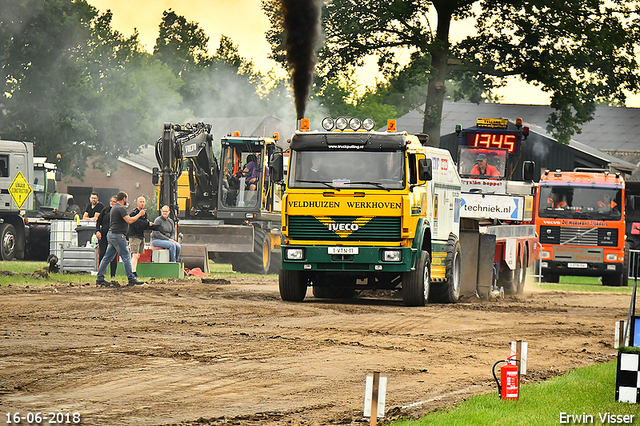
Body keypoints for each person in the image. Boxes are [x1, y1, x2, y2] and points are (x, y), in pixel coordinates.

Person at [95, 191, 146, 287]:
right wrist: (139, 214)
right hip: (118, 235)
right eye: (126, 199)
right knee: (126, 256)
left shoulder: (114, 208)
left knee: (107, 257)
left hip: (111, 234)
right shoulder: (121, 208)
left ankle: (100, 277)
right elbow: (129, 220)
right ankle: (131, 278)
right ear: (124, 199)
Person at [127, 196, 154, 278]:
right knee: (134, 254)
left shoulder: (145, 214)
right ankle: (132, 272)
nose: (142, 203)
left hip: (141, 236)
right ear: (137, 203)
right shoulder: (133, 213)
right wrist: (146, 223)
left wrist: (149, 225)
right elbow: (136, 224)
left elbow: (144, 225)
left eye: (143, 202)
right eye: (140, 202)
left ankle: (133, 270)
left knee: (138, 255)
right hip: (134, 236)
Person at [95, 195, 118, 280]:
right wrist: (97, 231)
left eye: (114, 202)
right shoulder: (105, 210)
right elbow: (98, 222)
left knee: (113, 256)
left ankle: (113, 275)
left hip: (113, 236)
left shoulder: (118, 211)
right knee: (102, 254)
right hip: (103, 235)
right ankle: (101, 274)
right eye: (111, 201)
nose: (112, 203)